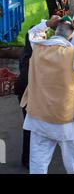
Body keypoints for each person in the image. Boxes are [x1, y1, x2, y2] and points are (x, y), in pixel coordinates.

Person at [20, 16, 74, 174]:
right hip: (66, 121)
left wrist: (46, 23)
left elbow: (32, 33)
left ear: (54, 32)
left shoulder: (38, 47)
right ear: (71, 36)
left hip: (39, 118)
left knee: (38, 163)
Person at [14, 31, 34, 170]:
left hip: (22, 93)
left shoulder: (25, 53)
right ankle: (28, 159)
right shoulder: (37, 56)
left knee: (28, 126)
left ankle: (26, 158)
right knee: (32, 128)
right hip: (29, 94)